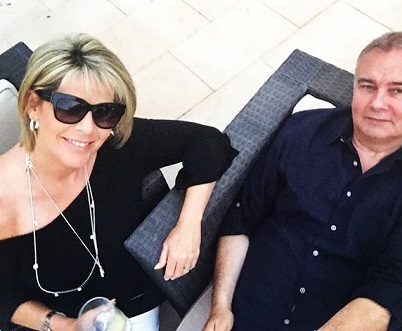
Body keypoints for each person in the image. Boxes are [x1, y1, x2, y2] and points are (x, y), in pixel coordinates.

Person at [203, 31, 402, 331]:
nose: (377, 103)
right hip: (243, 316)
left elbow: (394, 290)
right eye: (367, 86)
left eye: (398, 91)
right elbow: (242, 218)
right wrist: (221, 308)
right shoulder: (301, 132)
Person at [0, 33, 237, 331]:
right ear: (33, 105)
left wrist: (189, 224)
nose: (87, 129)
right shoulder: (4, 198)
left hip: (134, 300)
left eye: (106, 112)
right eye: (69, 108)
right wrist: (64, 325)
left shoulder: (115, 145)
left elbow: (208, 142)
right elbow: (4, 295)